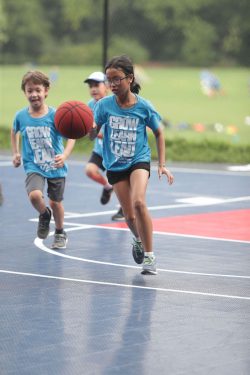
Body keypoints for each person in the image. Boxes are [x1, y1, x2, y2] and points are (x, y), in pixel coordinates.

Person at [90, 55, 174, 275]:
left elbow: (159, 132)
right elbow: (92, 133)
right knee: (128, 216)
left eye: (117, 79)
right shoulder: (104, 105)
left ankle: (150, 256)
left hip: (138, 160)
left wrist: (161, 164)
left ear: (130, 78)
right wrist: (82, 127)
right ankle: (137, 239)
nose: (113, 84)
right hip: (115, 165)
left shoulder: (144, 106)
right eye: (110, 80)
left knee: (139, 202)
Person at [11, 70, 75, 249]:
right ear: (25, 92)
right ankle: (44, 214)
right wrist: (16, 153)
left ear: (46, 90)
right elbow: (14, 131)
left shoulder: (56, 115)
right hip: (34, 165)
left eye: (37, 90)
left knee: (55, 202)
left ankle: (60, 231)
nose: (34, 94)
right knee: (34, 196)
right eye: (29, 90)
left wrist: (65, 155)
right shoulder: (21, 116)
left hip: (55, 165)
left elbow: (72, 136)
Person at [84, 71, 124, 221]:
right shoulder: (89, 105)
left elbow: (117, 130)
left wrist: (96, 133)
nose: (93, 89)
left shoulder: (114, 104)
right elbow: (89, 129)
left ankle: (123, 209)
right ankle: (108, 187)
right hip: (100, 150)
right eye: (90, 86)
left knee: (120, 182)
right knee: (90, 170)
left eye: (97, 85)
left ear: (106, 86)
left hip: (115, 151)